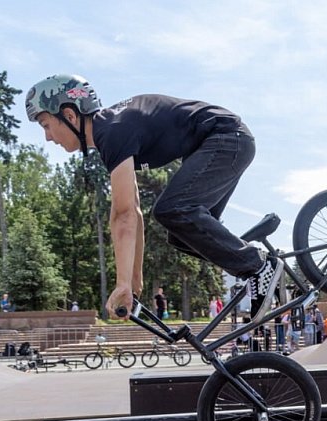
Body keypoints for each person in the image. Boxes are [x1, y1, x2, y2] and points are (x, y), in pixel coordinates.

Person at [24, 74, 280, 324]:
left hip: (227, 138)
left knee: (173, 209)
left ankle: (257, 267)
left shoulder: (112, 131)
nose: (47, 137)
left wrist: (122, 283)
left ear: (70, 115)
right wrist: (133, 282)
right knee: (180, 236)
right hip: (225, 142)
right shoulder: (111, 131)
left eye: (46, 125)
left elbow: (123, 215)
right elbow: (133, 213)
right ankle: (257, 265)